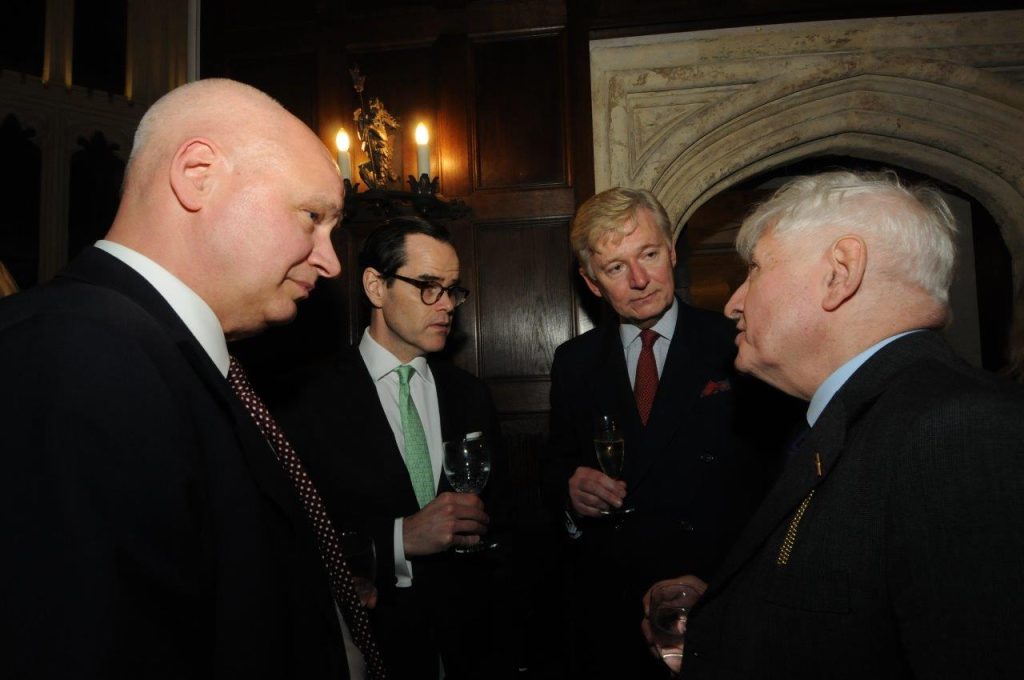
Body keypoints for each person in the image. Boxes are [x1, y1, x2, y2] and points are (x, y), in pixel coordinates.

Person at [0, 79, 363, 677]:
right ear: (197, 173)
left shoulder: (158, 351)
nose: (330, 261)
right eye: (312, 217)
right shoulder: (76, 354)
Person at [646, 170, 1024, 678]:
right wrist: (735, 615)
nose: (734, 301)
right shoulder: (875, 413)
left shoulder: (959, 431)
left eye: (754, 269)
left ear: (840, 272)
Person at [543, 188, 789, 679]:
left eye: (649, 255)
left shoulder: (735, 341)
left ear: (673, 251)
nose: (639, 280)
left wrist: (724, 580)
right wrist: (571, 491)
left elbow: (777, 479)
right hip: (613, 608)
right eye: (615, 268)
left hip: (720, 594)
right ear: (592, 284)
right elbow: (556, 467)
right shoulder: (574, 363)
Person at [278, 217, 511, 680]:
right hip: (367, 645)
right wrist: (400, 539)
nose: (446, 305)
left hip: (469, 645)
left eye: (452, 290)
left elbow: (503, 520)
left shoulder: (471, 395)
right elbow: (290, 540)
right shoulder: (304, 399)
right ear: (376, 287)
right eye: (428, 286)